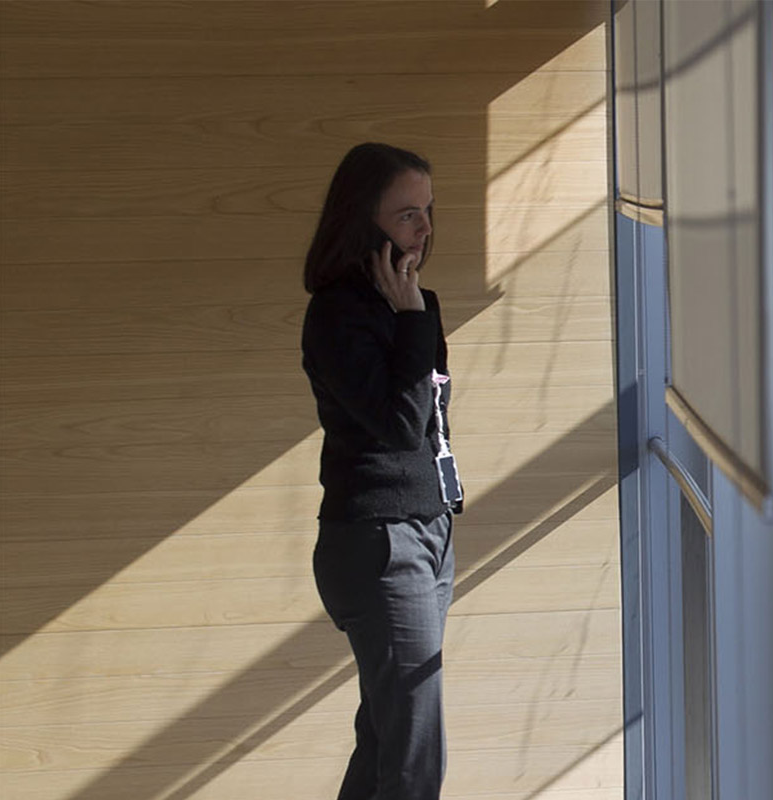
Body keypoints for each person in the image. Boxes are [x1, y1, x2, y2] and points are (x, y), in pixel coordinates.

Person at [301, 142, 462, 800]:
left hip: (428, 532)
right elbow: (399, 430)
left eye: (427, 212)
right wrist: (413, 322)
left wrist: (416, 318)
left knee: (385, 743)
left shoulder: (413, 304)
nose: (424, 229)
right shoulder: (339, 314)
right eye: (406, 215)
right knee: (416, 755)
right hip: (377, 542)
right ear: (363, 221)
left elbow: (432, 418)